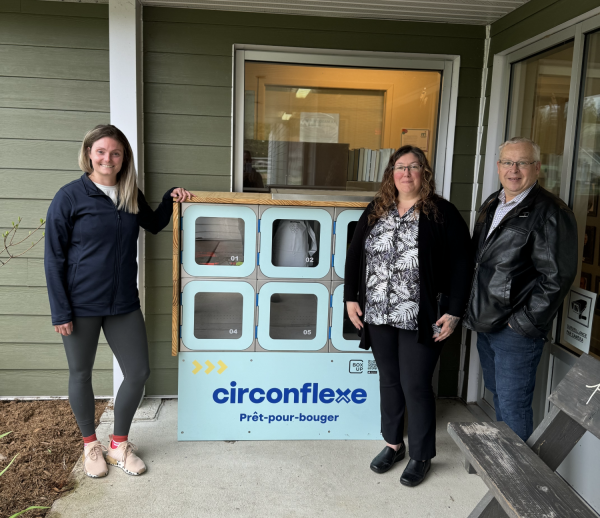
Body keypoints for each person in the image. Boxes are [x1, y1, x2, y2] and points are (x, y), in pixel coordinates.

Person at [44, 125, 192, 478]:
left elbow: (154, 224)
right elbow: (53, 258)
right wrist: (60, 310)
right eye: (101, 151)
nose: (107, 159)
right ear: (89, 154)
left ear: (124, 158)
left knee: (139, 372)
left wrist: (171, 197)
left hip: (123, 303)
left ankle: (118, 445)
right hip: (80, 305)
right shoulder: (69, 197)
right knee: (81, 374)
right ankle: (89, 445)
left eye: (115, 153)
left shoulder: (129, 194)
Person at [344, 145, 472, 487]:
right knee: (389, 380)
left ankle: (421, 455)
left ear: (423, 173)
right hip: (377, 312)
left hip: (421, 315)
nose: (406, 173)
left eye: (413, 167)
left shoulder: (441, 212)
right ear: (391, 173)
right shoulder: (377, 208)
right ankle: (393, 445)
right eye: (400, 167)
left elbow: (462, 262)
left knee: (415, 384)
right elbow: (355, 253)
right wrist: (349, 297)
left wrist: (455, 311)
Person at [463, 137, 578, 441]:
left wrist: (523, 323)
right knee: (498, 395)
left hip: (515, 329)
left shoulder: (551, 211)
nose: (514, 170)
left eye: (522, 163)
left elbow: (558, 276)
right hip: (487, 321)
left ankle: (517, 469)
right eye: (507, 162)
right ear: (498, 166)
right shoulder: (494, 202)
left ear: (537, 168)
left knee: (514, 407)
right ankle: (504, 460)